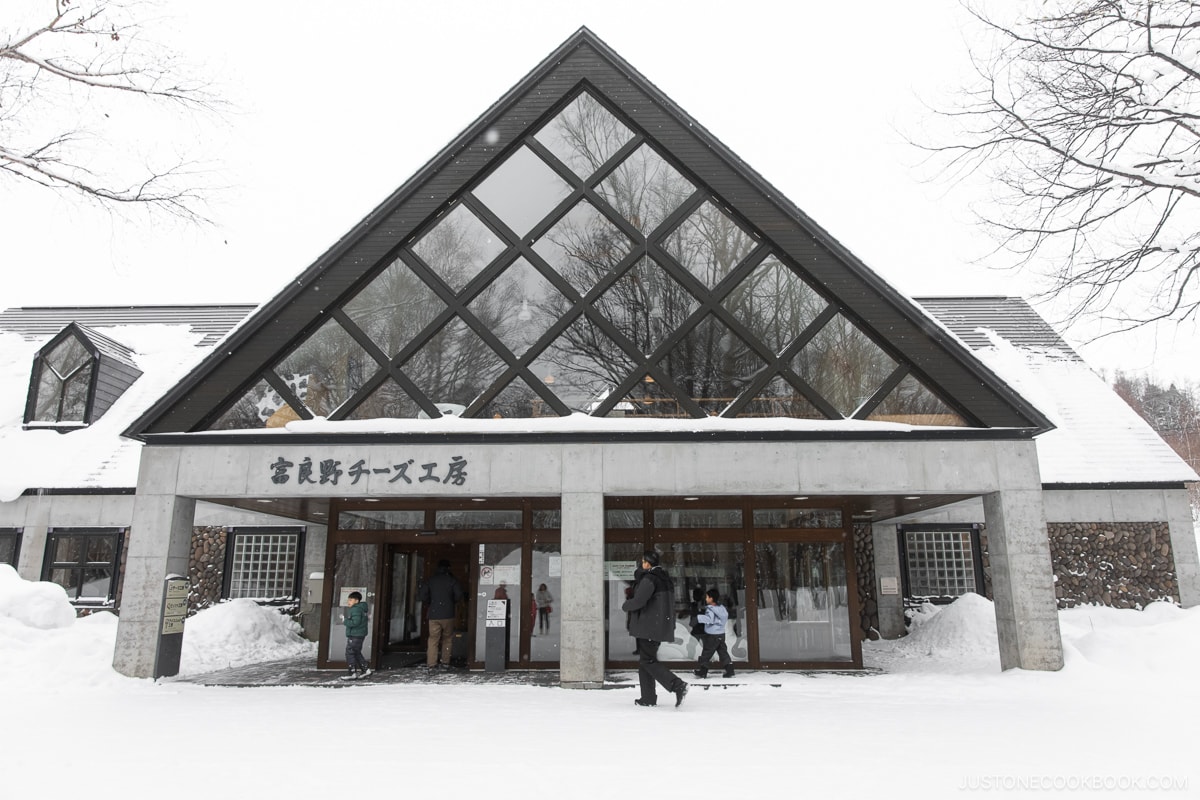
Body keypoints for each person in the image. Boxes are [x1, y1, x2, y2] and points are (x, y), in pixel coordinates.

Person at [621, 551, 688, 708]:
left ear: (648, 563)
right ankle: (648, 697)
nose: (642, 564)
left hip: (648, 626)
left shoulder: (650, 579)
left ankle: (677, 685)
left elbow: (639, 601)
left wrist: (626, 605)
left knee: (648, 661)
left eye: (644, 561)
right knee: (645, 662)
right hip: (658, 626)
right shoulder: (664, 578)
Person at [419, 559, 465, 669]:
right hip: (448, 614)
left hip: (434, 614)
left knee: (433, 639)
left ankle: (431, 663)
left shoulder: (431, 580)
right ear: (448, 568)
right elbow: (459, 595)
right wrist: (451, 601)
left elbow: (422, 595)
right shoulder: (452, 580)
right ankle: (445, 662)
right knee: (447, 639)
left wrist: (430, 602)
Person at [693, 588, 734, 679]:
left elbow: (709, 619)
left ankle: (703, 671)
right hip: (721, 634)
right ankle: (730, 669)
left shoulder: (710, 609)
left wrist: (698, 618)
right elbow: (724, 617)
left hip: (712, 635)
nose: (706, 599)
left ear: (711, 599)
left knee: (707, 652)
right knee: (723, 652)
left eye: (707, 597)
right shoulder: (722, 608)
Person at [340, 591, 371, 680]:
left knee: (350, 652)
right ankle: (365, 670)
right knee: (356, 652)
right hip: (359, 634)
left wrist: (345, 621)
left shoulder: (355, 609)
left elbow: (355, 622)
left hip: (355, 635)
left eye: (350, 600)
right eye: (348, 600)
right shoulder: (361, 609)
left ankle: (352, 673)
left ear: (356, 601)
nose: (348, 602)